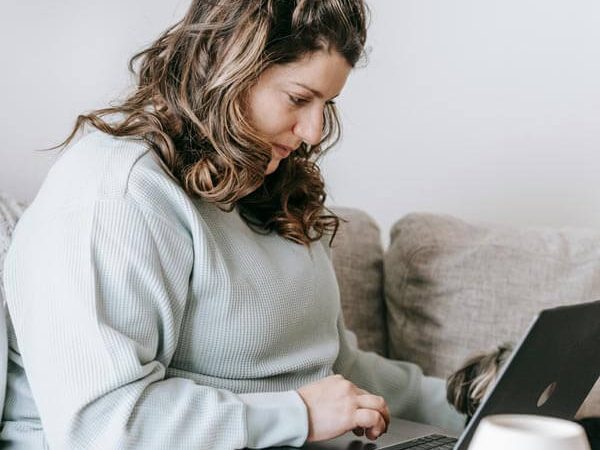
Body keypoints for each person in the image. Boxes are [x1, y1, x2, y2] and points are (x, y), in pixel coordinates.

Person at [1, 1, 465, 448]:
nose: (314, 132)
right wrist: (297, 416)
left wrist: (472, 406)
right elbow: (101, 426)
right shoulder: (117, 190)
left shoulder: (274, 185)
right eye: (298, 98)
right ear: (228, 69)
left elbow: (332, 369)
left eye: (327, 103)